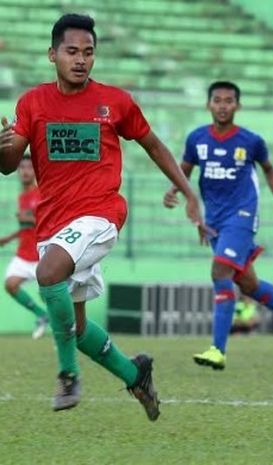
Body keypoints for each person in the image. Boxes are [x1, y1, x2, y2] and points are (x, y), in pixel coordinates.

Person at [0, 14, 206, 420]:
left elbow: (154, 145)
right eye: (72, 51)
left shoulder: (115, 101)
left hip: (101, 213)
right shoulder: (32, 103)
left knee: (47, 273)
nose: (81, 60)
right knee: (75, 329)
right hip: (55, 223)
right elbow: (8, 165)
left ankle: (67, 376)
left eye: (88, 52)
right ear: (52, 54)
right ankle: (136, 374)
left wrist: (188, 191)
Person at [163, 81, 273, 371]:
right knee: (247, 283)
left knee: (220, 271)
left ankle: (218, 349)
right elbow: (186, 170)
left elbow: (268, 168)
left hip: (242, 214)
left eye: (229, 101)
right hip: (215, 219)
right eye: (217, 100)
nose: (222, 105)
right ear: (209, 104)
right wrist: (175, 189)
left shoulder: (250, 141)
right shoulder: (197, 139)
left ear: (237, 106)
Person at [0, 156, 49, 339]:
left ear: (35, 171)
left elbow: (48, 222)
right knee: (10, 284)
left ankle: (66, 329)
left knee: (51, 296)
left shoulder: (41, 194)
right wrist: (9, 238)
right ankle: (41, 315)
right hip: (23, 253)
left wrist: (29, 218)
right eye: (22, 167)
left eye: (29, 167)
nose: (25, 171)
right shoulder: (22, 197)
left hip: (41, 255)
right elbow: (26, 227)